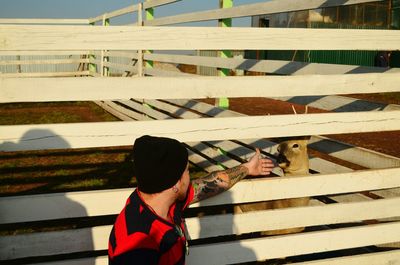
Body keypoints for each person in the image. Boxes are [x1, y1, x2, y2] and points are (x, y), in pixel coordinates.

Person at [108, 135, 275, 265]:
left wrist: (247, 168)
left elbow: (212, 182)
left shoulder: (165, 200)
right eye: (187, 171)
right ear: (174, 182)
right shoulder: (137, 242)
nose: (191, 176)